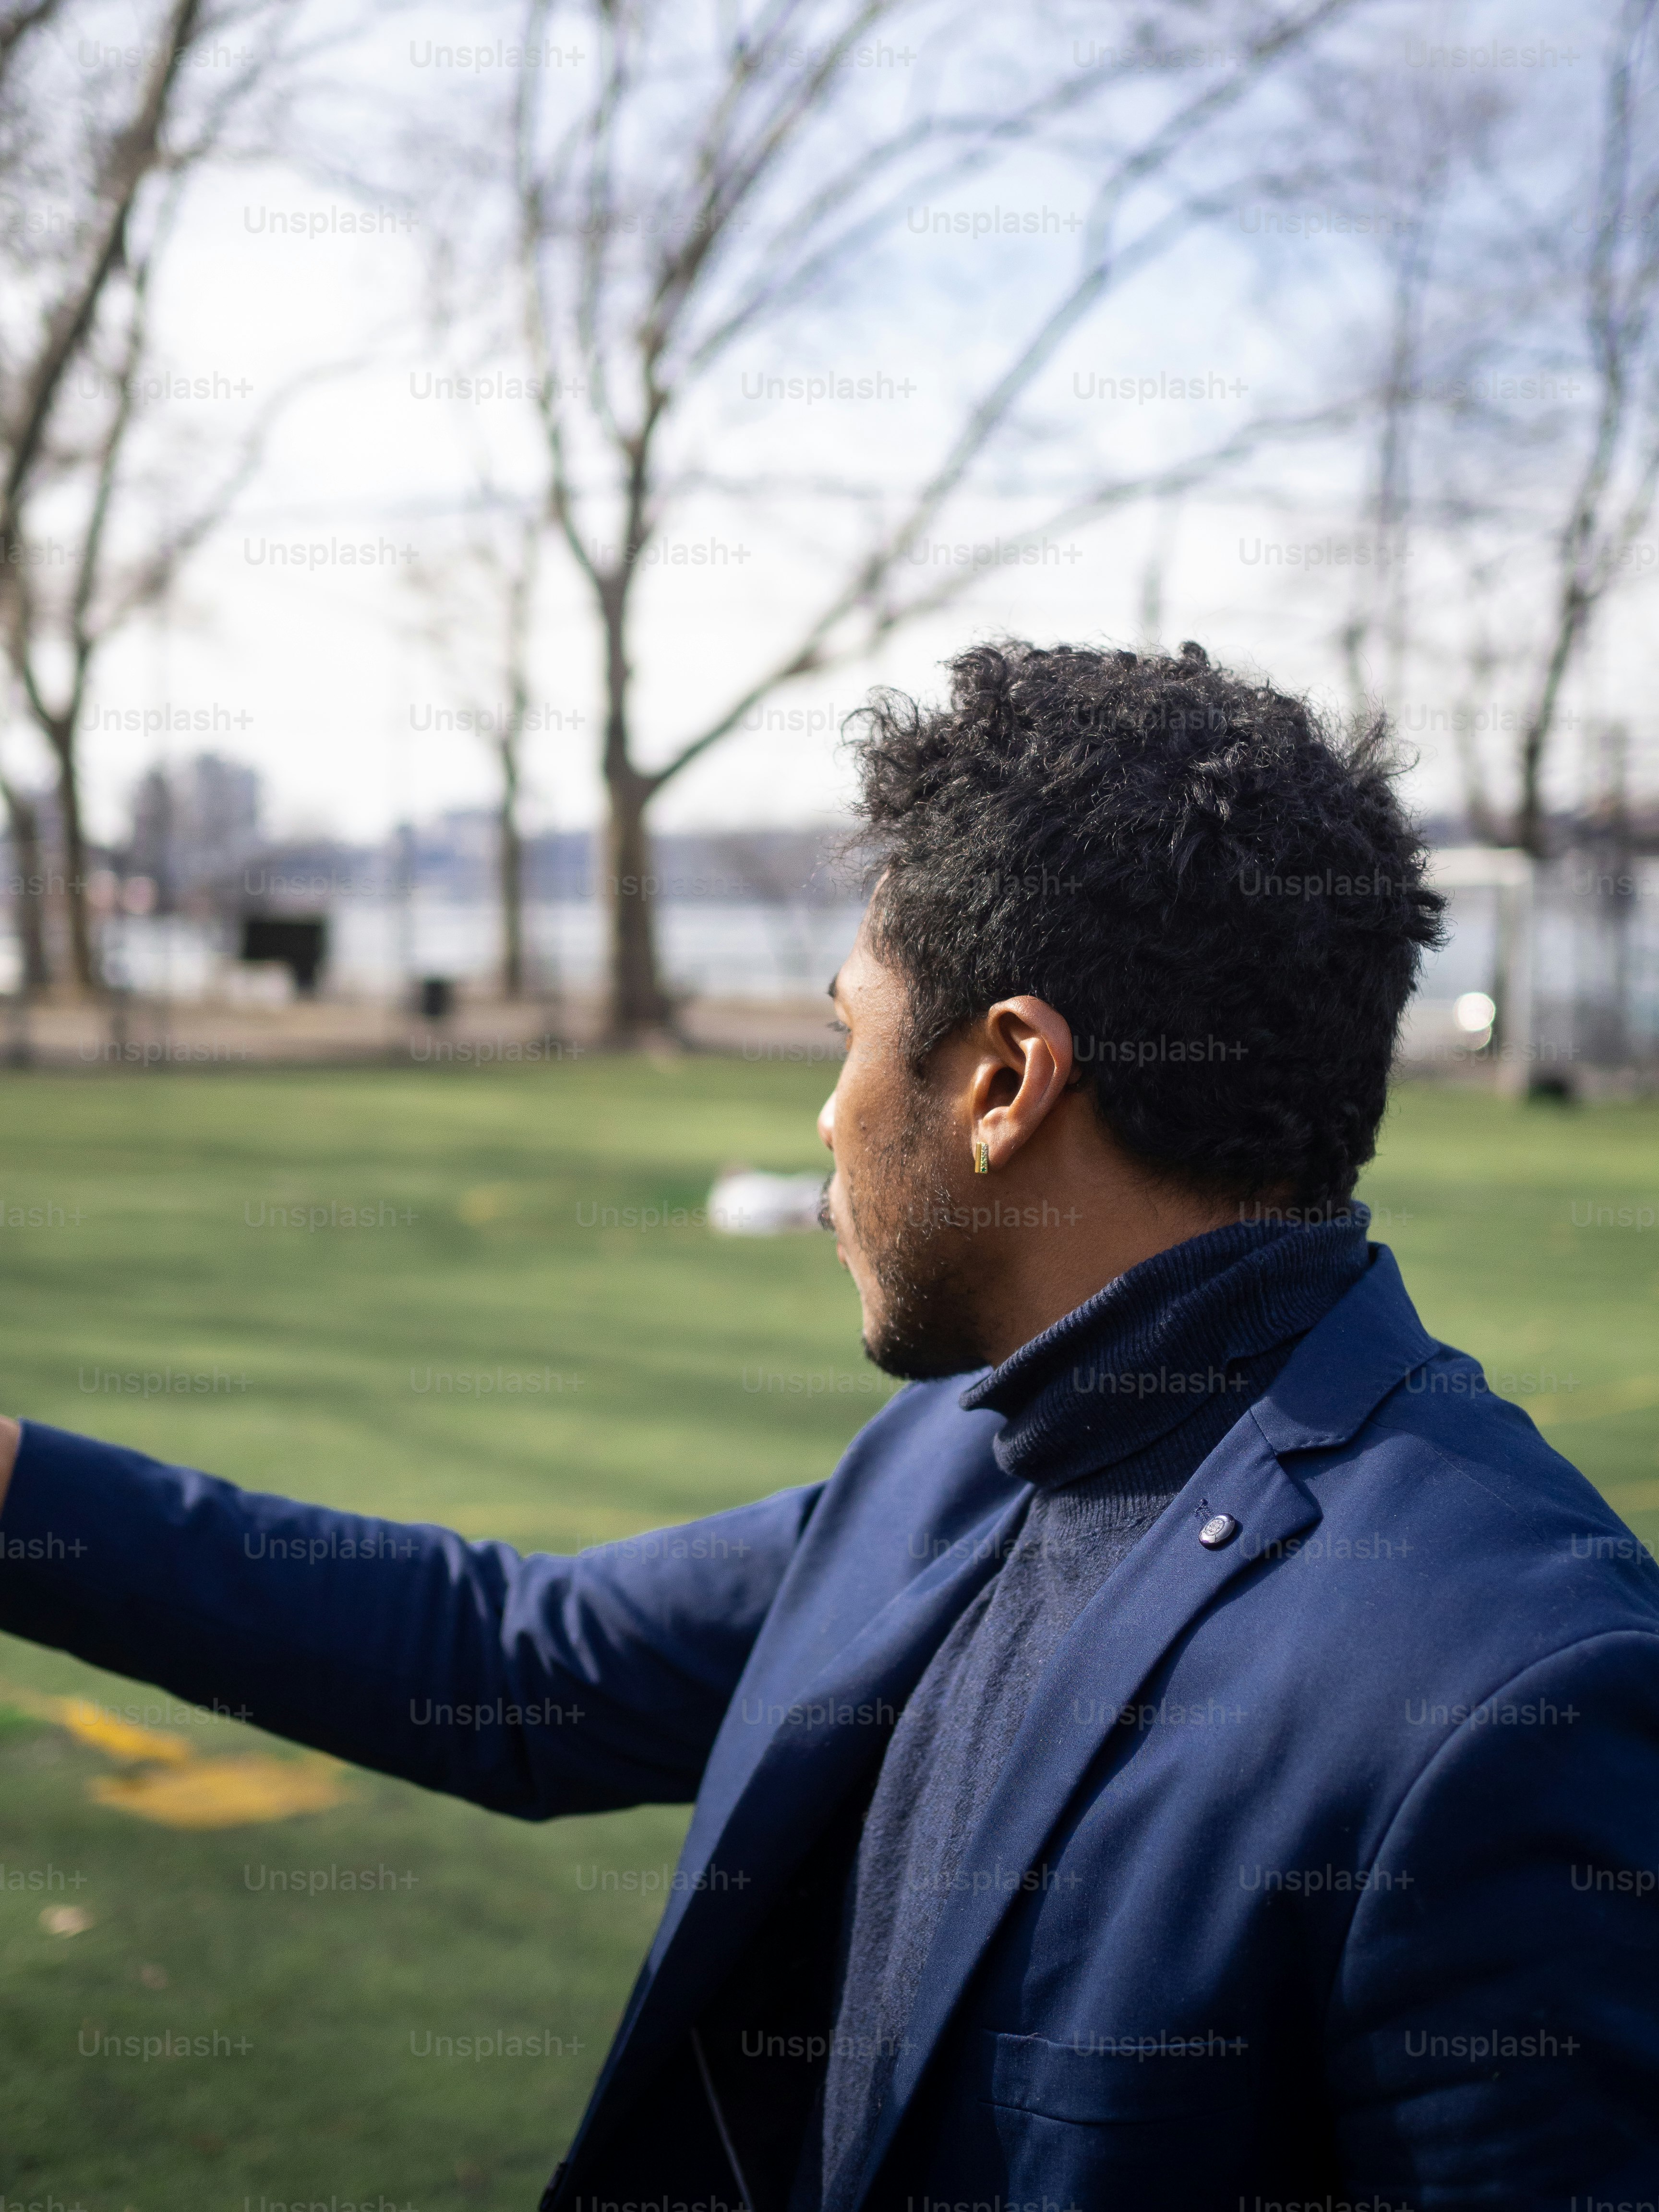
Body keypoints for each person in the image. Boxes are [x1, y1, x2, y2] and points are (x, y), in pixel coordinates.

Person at [2, 641, 1657, 2212]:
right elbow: (515, 1658)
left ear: (1007, 1079)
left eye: (847, 1035)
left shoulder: (1508, 1689)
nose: (826, 1114)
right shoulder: (971, 1454)